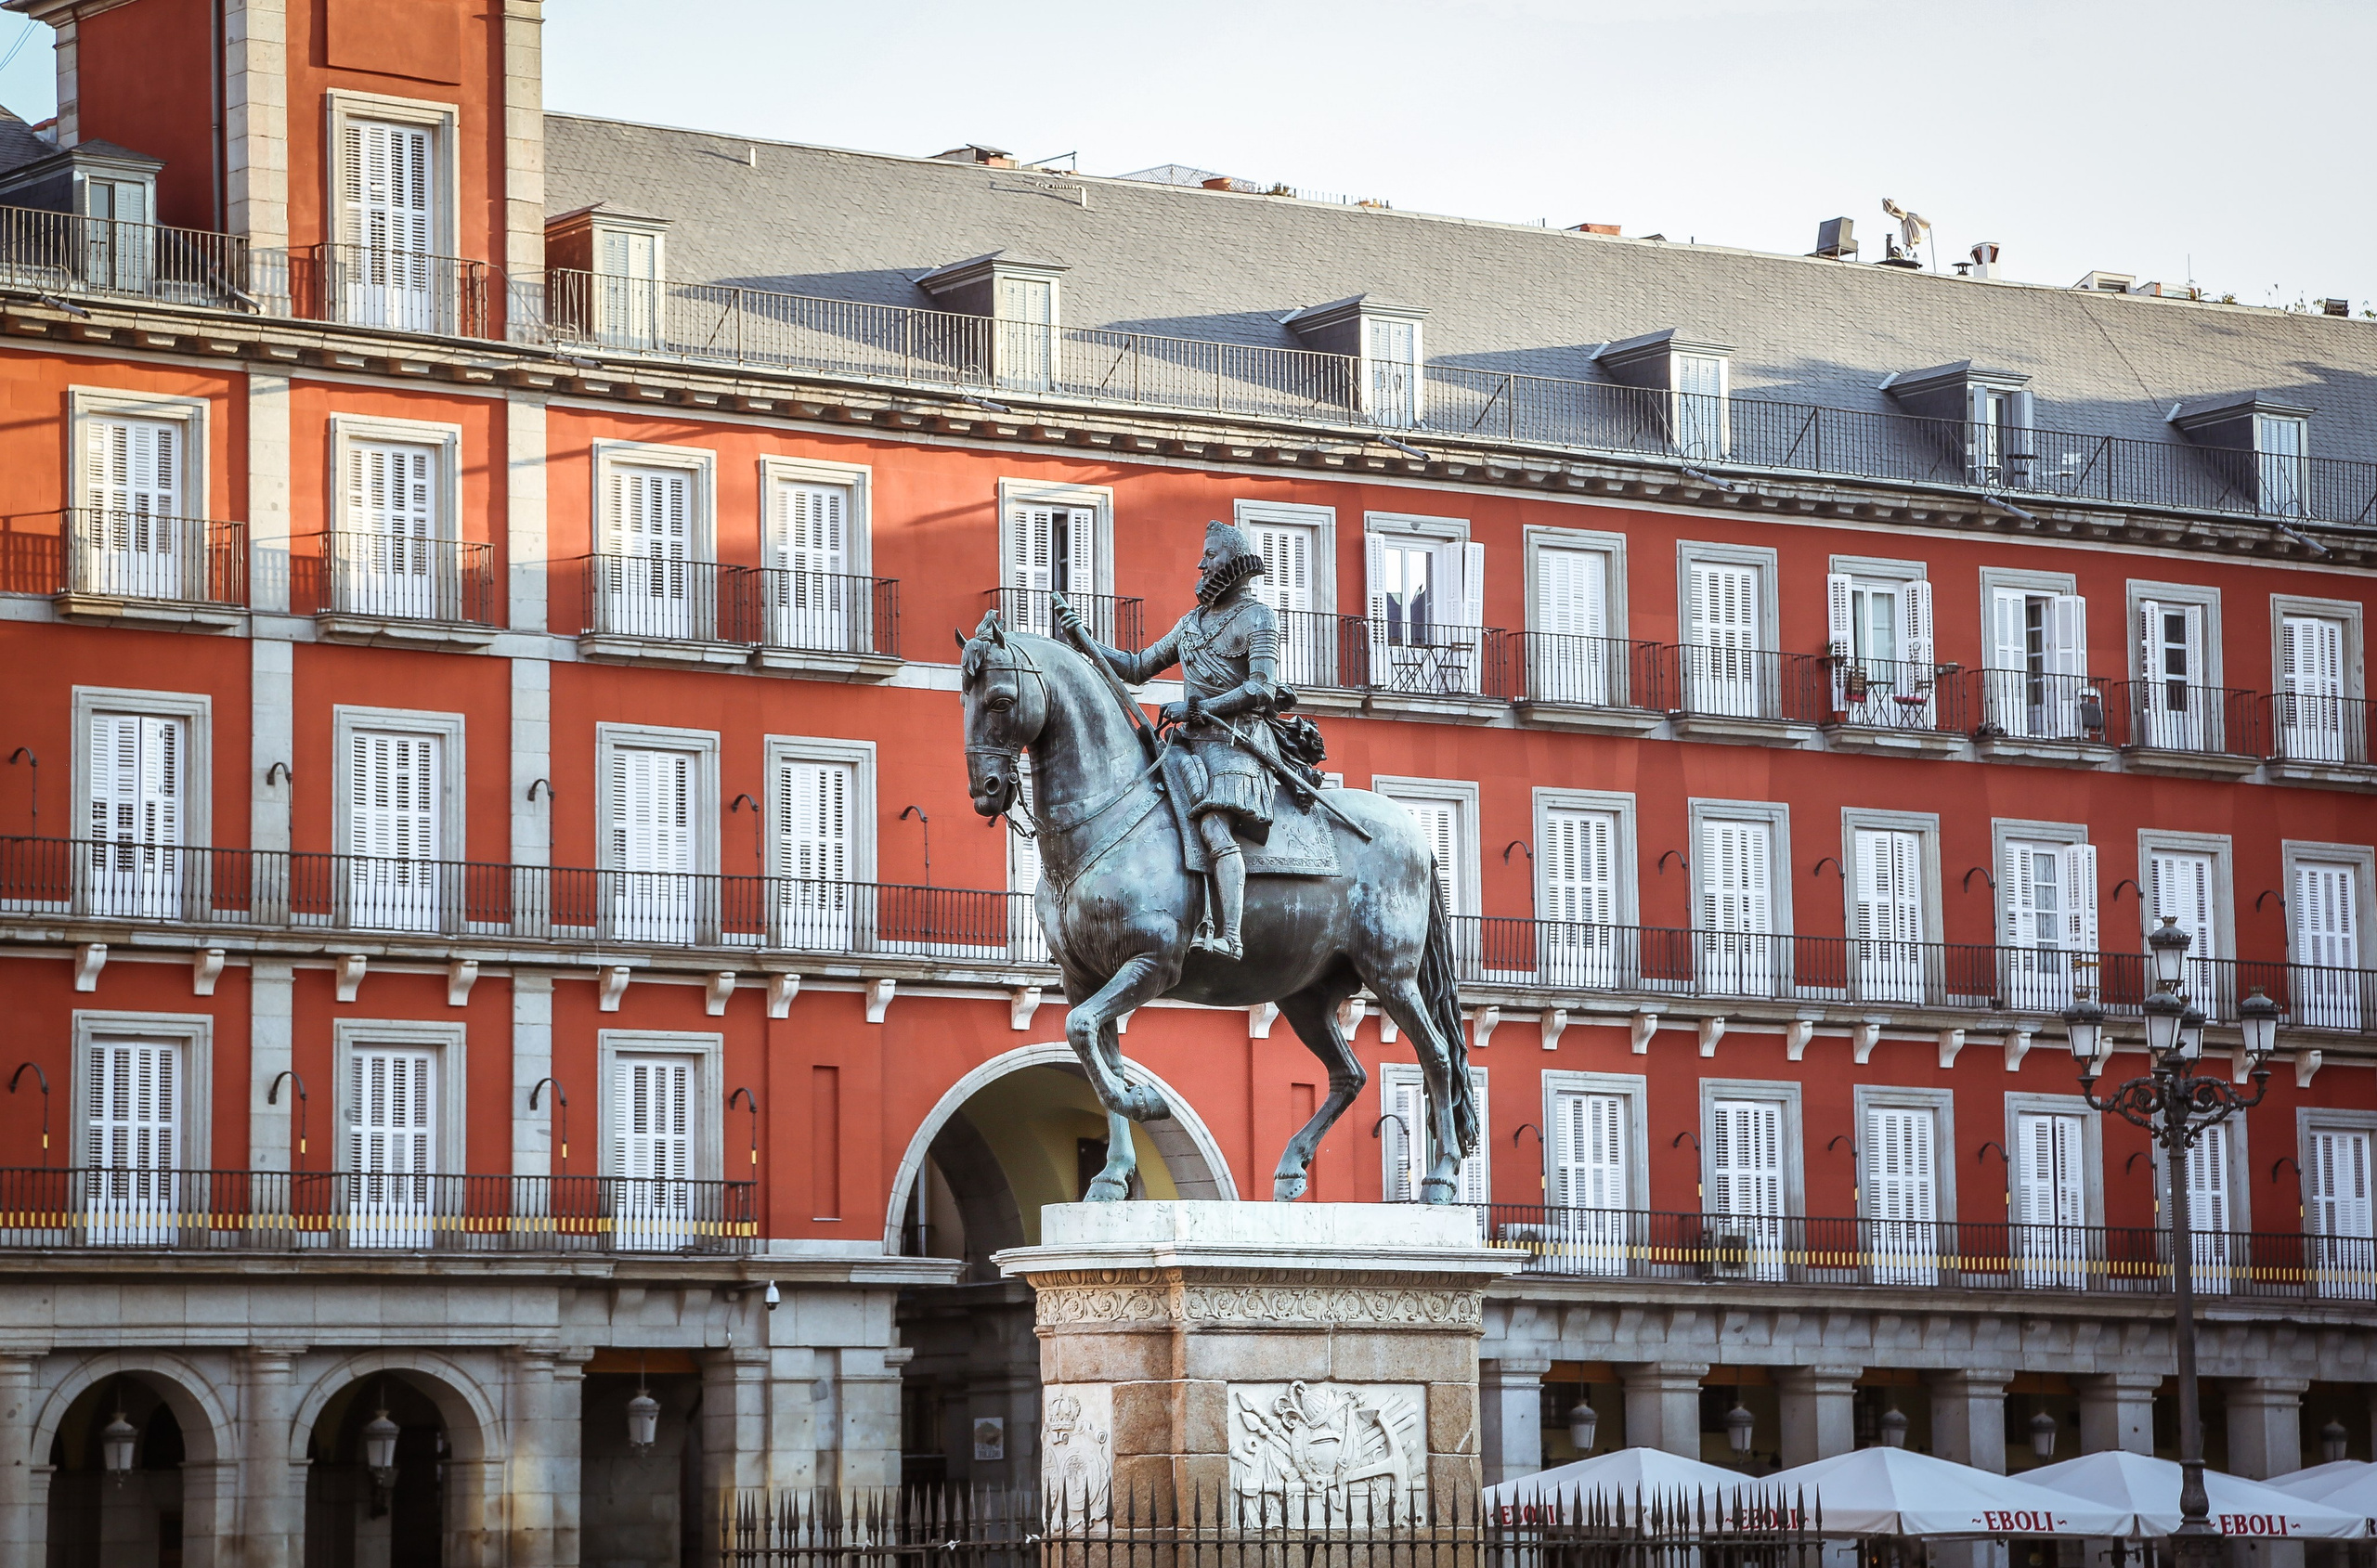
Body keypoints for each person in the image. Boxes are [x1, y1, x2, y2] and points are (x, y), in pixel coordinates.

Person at [1055, 520, 1282, 960]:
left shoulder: (1258, 618)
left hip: (1239, 743)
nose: (1201, 564)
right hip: (1190, 744)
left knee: (1214, 825)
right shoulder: (1191, 623)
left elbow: (1261, 689)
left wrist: (1198, 708)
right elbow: (1138, 666)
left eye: (1210, 555)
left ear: (1233, 560)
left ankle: (1231, 935)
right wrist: (1086, 643)